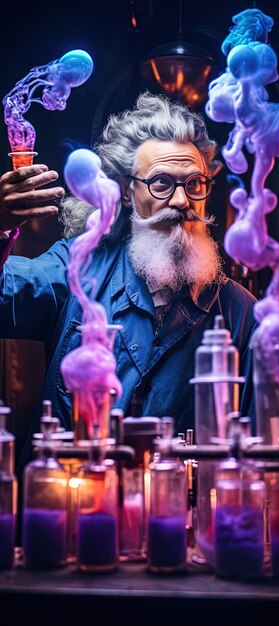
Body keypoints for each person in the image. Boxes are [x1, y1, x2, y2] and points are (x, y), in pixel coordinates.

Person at [0, 91, 257, 475]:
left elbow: (255, 456)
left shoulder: (240, 314)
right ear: (123, 192)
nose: (182, 200)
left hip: (174, 524)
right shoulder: (77, 268)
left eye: (195, 184)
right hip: (65, 516)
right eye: (161, 183)